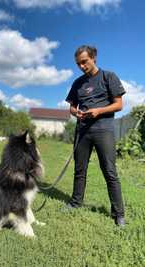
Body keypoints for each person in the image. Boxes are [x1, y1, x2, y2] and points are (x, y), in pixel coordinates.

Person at [65, 45, 125, 226]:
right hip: (82, 131)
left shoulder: (109, 77)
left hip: (103, 130)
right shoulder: (77, 83)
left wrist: (99, 110)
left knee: (109, 171)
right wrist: (77, 113)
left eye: (84, 62)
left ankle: (118, 214)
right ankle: (75, 203)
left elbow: (119, 105)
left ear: (94, 58)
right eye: (78, 64)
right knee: (79, 170)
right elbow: (72, 107)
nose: (82, 66)